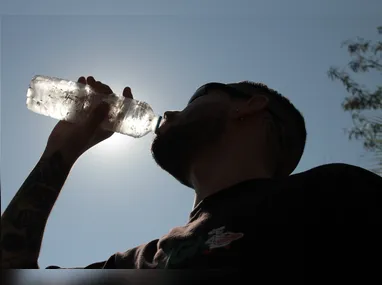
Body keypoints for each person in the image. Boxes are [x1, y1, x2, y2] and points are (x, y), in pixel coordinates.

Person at [1, 76, 381, 276]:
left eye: (197, 95)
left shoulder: (333, 194)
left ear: (249, 107)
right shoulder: (138, 263)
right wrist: (62, 152)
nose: (170, 112)